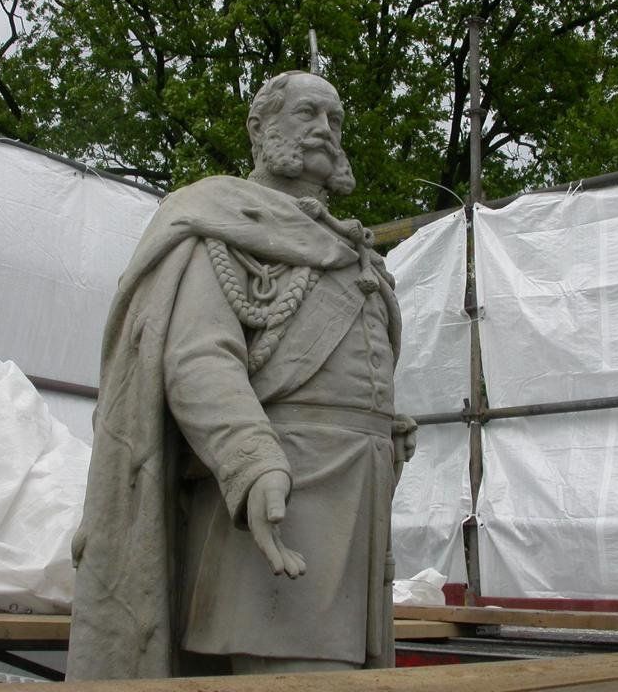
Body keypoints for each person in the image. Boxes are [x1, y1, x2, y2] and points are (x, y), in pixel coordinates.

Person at [67, 71, 416, 680]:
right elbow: (199, 359)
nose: (324, 130)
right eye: (307, 113)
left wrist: (383, 422)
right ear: (260, 127)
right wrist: (251, 460)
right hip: (279, 499)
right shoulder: (220, 220)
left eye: (334, 120)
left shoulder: (348, 249)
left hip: (359, 504)